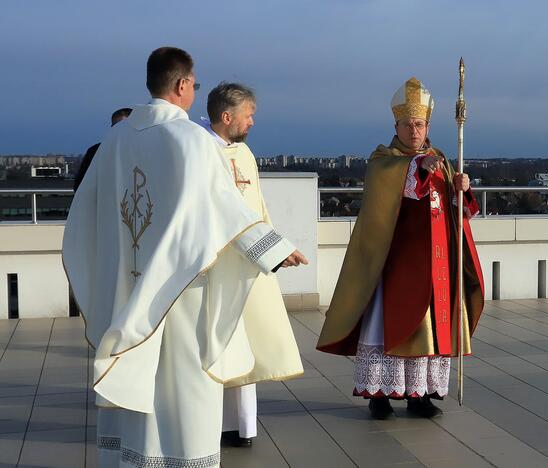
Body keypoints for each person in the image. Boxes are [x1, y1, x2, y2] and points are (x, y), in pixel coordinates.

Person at [62, 47, 307, 467]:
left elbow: (84, 216)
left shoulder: (115, 140)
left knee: (140, 383)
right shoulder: (191, 140)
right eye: (194, 83)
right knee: (185, 391)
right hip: (182, 292)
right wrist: (275, 250)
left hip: (128, 286)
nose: (194, 89)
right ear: (181, 85)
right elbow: (225, 208)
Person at [316, 77, 485, 419]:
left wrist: (461, 188)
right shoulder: (384, 159)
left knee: (428, 329)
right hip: (395, 262)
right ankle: (379, 395)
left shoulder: (440, 159)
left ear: (428, 126)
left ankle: (418, 395)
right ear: (396, 125)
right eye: (407, 125)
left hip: (435, 263)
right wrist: (415, 168)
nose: (413, 131)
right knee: (387, 325)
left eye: (419, 124)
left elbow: (459, 212)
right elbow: (387, 184)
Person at [201, 82, 303, 448]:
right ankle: (210, 424)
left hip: (251, 263)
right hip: (216, 265)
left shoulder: (245, 154)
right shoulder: (201, 152)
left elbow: (258, 210)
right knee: (218, 343)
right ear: (227, 116)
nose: (253, 122)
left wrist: (275, 249)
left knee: (246, 343)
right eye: (249, 115)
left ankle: (241, 426)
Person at [74, 107, 132, 191]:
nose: (120, 130)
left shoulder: (146, 151)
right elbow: (80, 185)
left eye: (125, 126)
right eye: (117, 127)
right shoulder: (95, 152)